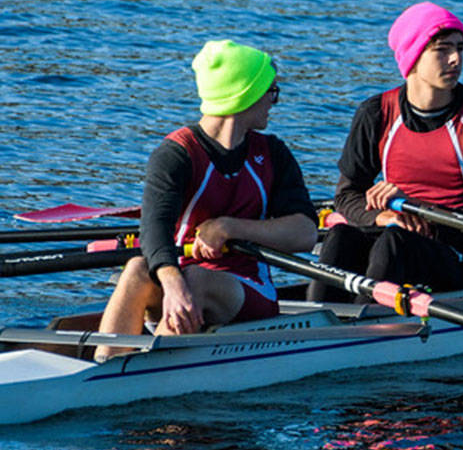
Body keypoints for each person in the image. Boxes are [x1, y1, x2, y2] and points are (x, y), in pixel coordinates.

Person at [95, 40, 318, 360]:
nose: (274, 101)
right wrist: (170, 281)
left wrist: (229, 227)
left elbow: (305, 233)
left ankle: (142, 373)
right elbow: (154, 231)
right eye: (271, 91)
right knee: (136, 269)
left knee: (197, 280)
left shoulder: (273, 154)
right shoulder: (175, 154)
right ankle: (106, 365)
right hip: (181, 277)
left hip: (247, 288)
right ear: (247, 95)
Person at [308, 1, 463, 302]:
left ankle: (359, 327)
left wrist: (420, 214)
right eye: (443, 50)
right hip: (395, 240)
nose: (455, 59)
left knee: (396, 242)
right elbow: (347, 197)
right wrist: (381, 217)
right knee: (342, 236)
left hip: (458, 258)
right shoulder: (376, 113)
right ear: (413, 55)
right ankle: (317, 320)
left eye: (460, 48)